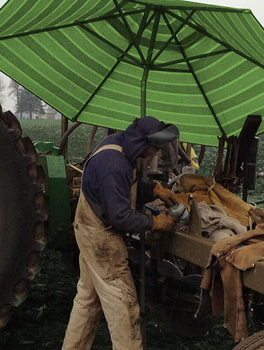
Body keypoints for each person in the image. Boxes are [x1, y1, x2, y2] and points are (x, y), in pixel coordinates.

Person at [62, 116, 179, 350]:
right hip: (101, 238)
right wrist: (153, 222)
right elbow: (120, 216)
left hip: (87, 228)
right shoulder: (114, 166)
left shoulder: (120, 145)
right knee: (124, 307)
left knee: (88, 300)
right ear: (141, 143)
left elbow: (122, 190)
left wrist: (153, 190)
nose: (154, 154)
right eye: (153, 148)